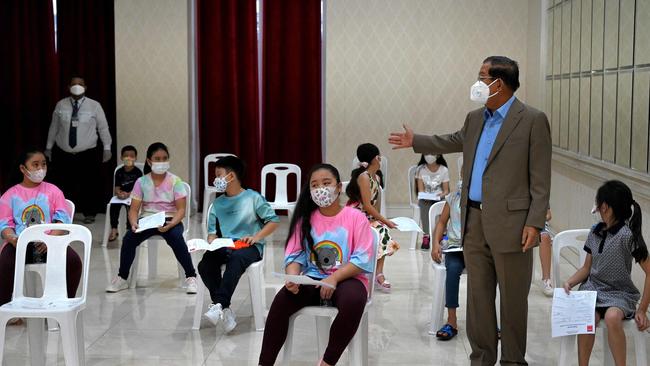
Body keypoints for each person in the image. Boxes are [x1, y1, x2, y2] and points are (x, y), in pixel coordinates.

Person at [389, 56, 551, 365]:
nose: (476, 83)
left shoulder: (531, 119)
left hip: (514, 225)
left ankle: (513, 360)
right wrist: (416, 140)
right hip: (473, 222)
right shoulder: (475, 118)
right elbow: (452, 140)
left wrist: (535, 222)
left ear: (498, 84)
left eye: (482, 76)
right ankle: (481, 358)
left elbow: (541, 178)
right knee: (478, 298)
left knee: (513, 300)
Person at [258, 164, 374, 366]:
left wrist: (334, 278)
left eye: (326, 183)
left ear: (338, 187)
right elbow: (295, 255)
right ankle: (264, 363)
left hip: (348, 278)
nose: (320, 188)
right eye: (314, 185)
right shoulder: (305, 220)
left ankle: (327, 361)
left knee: (354, 301)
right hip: (312, 278)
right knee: (281, 302)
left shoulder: (356, 218)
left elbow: (362, 259)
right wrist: (292, 278)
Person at [563, 180, 650, 366]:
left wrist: (642, 308)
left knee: (612, 317)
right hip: (593, 290)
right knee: (586, 316)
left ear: (606, 208)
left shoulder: (628, 236)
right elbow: (586, 268)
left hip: (619, 293)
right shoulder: (595, 232)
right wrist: (570, 281)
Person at [198, 156, 279, 333]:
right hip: (226, 244)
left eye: (218, 175)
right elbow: (212, 232)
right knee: (205, 265)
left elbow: (273, 221)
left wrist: (257, 237)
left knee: (236, 259)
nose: (215, 180)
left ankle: (218, 304)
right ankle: (223, 307)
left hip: (249, 246)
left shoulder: (253, 198)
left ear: (231, 176)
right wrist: (211, 240)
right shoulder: (217, 204)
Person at [106, 142, 197, 293]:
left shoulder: (176, 181)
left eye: (164, 158)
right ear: (149, 161)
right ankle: (122, 278)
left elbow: (181, 210)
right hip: (148, 220)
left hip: (170, 220)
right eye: (157, 159)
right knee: (129, 238)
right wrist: (134, 223)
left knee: (176, 238)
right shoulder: (141, 182)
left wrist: (171, 224)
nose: (161, 162)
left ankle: (191, 277)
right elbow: (134, 209)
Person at [0, 148, 82, 309]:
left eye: (43, 165)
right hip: (20, 244)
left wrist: (51, 239)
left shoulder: (53, 191)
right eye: (35, 165)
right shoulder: (10, 195)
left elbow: (63, 220)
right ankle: (5, 308)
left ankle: (64, 303)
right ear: (23, 169)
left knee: (73, 262)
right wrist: (13, 239)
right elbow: (5, 225)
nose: (40, 169)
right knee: (4, 264)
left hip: (51, 242)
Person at [45, 76, 113, 224]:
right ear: (69, 87)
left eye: (80, 84)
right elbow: (54, 127)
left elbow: (103, 128)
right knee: (63, 184)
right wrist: (48, 148)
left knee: (89, 183)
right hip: (63, 153)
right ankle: (62, 214)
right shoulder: (61, 105)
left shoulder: (94, 105)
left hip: (87, 153)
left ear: (86, 87)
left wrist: (107, 147)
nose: (77, 86)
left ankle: (90, 213)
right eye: (74, 84)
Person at [346, 143, 399, 293]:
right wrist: (385, 220)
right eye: (379, 156)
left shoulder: (376, 177)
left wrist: (379, 220)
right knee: (382, 231)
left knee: (383, 232)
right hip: (356, 217)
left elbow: (374, 206)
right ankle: (375, 273)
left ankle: (378, 273)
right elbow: (366, 206)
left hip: (366, 217)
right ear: (376, 158)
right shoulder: (364, 177)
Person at [431, 180, 463, 340]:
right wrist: (435, 243)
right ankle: (452, 320)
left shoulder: (487, 197)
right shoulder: (452, 198)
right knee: (453, 270)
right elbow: (442, 222)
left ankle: (488, 320)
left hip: (477, 247)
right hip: (455, 247)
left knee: (486, 275)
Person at [108, 145, 143, 242]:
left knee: (131, 208)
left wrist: (128, 194)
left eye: (131, 156)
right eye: (126, 156)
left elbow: (138, 189)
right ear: (121, 157)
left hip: (133, 196)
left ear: (135, 158)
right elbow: (117, 186)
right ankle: (114, 229)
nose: (129, 158)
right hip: (121, 196)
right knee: (113, 206)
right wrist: (119, 193)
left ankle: (129, 230)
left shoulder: (138, 172)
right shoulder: (119, 172)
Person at [415, 154, 450, 250]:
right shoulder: (420, 170)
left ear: (438, 155)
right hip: (426, 198)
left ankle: (443, 235)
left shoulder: (444, 170)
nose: (429, 156)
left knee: (443, 205)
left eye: (432, 153)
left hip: (439, 197)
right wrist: (425, 196)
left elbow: (446, 190)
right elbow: (421, 190)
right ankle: (426, 235)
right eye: (427, 153)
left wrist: (440, 195)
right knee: (423, 204)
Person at [539, 208, 553, 297]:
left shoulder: (540, 194)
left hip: (536, 222)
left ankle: (546, 280)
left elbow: (548, 215)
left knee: (545, 237)